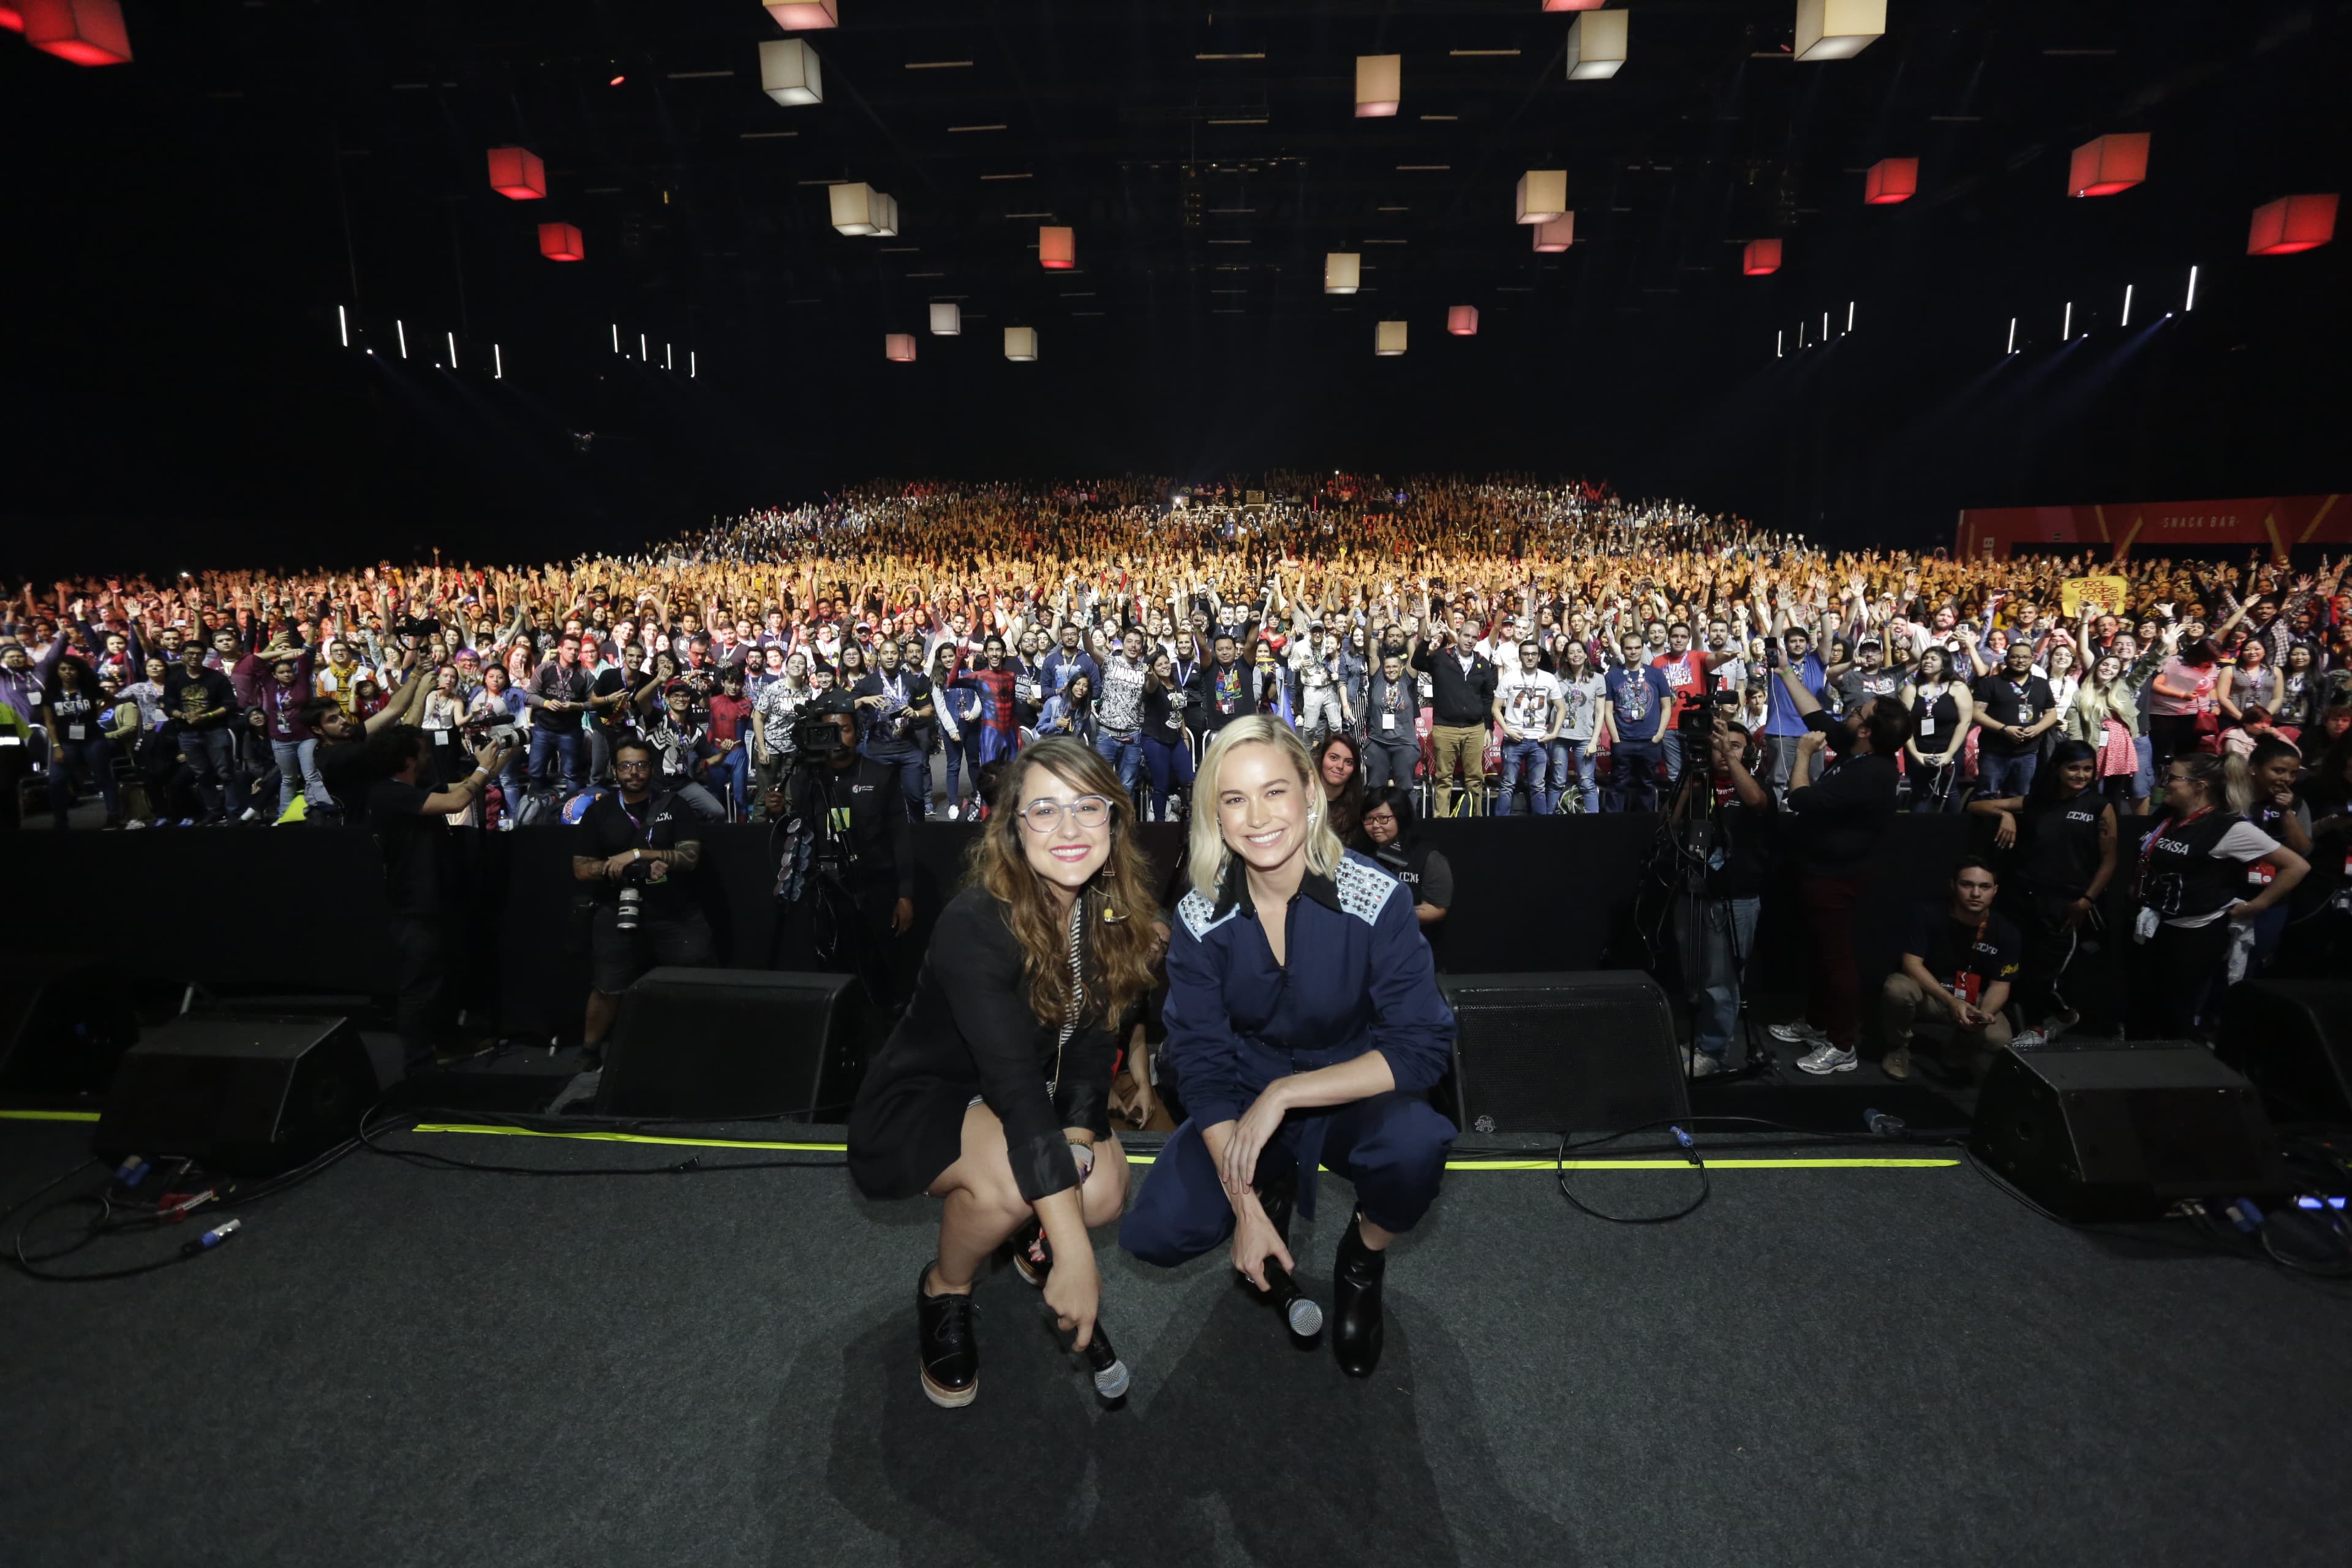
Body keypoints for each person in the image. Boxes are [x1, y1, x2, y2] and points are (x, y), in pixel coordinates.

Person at [1121, 717, 1458, 1378]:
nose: (1257, 817)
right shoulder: (1198, 915)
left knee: (1416, 1146)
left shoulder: (1376, 894)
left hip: (1347, 1091)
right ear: (1214, 813)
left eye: (1274, 791)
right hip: (1243, 1095)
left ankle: (1363, 1255)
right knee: (1152, 1232)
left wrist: (1285, 1094)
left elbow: (1421, 1048)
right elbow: (1202, 1068)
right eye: (1235, 798)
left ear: (1311, 791)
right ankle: (1267, 1179)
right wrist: (1243, 1205)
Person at [846, 737, 1159, 1408]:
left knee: (1101, 1188)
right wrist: (1074, 1253)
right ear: (1014, 827)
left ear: (1115, 818)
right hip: (924, 1105)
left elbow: (1088, 1049)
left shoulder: (1106, 910)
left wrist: (1076, 1148)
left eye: (1087, 806)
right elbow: (1017, 1094)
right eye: (1044, 811)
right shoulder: (977, 921)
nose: (1070, 829)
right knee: (1013, 1185)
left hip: (1011, 1103)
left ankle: (1028, 1234)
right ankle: (946, 1287)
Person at [1765, 666, 1911, 1074]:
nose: (1851, 711)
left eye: (1859, 711)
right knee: (1818, 954)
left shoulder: (1872, 773)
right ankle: (1817, 1023)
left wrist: (1805, 755)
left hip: (1837, 878)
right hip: (1817, 870)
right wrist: (1785, 674)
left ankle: (1842, 1044)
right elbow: (1819, 718)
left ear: (1867, 730)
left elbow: (1801, 799)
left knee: (1837, 961)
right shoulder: (1861, 747)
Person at [365, 723, 515, 1068]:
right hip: (415, 905)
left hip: (434, 900)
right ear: (406, 759)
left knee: (438, 980)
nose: (428, 755)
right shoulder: (388, 794)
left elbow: (467, 786)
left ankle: (443, 1046)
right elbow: (458, 800)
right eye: (422, 751)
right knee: (420, 987)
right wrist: (480, 767)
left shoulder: (409, 788)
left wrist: (507, 752)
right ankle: (418, 1062)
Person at [2132, 752, 2308, 1040]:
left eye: (2174, 778)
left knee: (2177, 1014)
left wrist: (2257, 905)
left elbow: (2297, 865)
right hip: (2157, 927)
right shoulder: (2169, 816)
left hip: (2196, 935)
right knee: (2147, 1008)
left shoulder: (2230, 827)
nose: (2166, 783)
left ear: (2199, 786)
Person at [1967, 739, 2118, 1050]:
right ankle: (2046, 1019)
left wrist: (2087, 900)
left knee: (2044, 971)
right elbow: (1974, 805)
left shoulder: (2099, 806)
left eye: (2088, 769)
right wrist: (2005, 815)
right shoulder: (2039, 800)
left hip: (2067, 903)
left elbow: (2110, 860)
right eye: (2073, 767)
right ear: (2057, 768)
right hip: (2022, 897)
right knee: (2017, 964)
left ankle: (2041, 1026)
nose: (2081, 775)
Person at [572, 734, 716, 1056]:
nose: (633, 772)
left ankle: (700, 1050)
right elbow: (581, 869)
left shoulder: (674, 805)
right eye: (626, 766)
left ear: (651, 769)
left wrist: (640, 855)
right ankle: (588, 1053)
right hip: (616, 907)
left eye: (640, 765)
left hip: (674, 911)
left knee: (695, 982)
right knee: (607, 987)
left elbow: (690, 859)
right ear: (613, 770)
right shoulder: (600, 812)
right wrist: (624, 869)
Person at [766, 698, 919, 1001]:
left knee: (881, 971)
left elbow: (900, 837)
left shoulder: (880, 774)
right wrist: (780, 813)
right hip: (823, 894)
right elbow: (799, 836)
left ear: (857, 732)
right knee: (830, 972)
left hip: (873, 889)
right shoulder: (805, 779)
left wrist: (905, 895)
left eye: (845, 729)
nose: (838, 737)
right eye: (829, 730)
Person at [1670, 715, 1776, 1076]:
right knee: (1695, 976)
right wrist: (1688, 787)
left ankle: (1714, 1052)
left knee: (1722, 981)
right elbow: (1666, 827)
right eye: (1719, 745)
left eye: (1734, 746)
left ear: (1749, 754)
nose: (1724, 752)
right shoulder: (1699, 785)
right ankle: (1699, 1040)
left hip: (1734, 897)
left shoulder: (1756, 786)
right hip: (1693, 892)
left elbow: (1759, 803)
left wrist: (1730, 762)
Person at [1880, 857, 2022, 1080]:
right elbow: (1911, 964)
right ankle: (1898, 1048)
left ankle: (1963, 1042)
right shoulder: (1927, 913)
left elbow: (2000, 985)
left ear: (1994, 891)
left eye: (1984, 887)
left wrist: (1984, 1014)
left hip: (1970, 1000)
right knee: (1897, 989)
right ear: (1953, 886)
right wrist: (1950, 1001)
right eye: (1967, 885)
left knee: (1999, 1037)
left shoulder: (2007, 932)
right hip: (1930, 994)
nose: (1976, 894)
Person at [1413, 622, 1497, 818]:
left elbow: (1487, 698)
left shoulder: (1482, 663)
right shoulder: (1442, 658)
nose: (1470, 641)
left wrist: (1488, 728)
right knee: (1443, 779)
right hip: (1445, 728)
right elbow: (1416, 663)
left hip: (1474, 729)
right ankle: (1442, 822)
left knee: (1475, 779)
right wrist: (1426, 639)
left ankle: (1476, 818)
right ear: (1457, 636)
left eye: (1474, 638)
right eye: (1466, 636)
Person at [853, 638, 935, 822]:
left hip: (909, 751)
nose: (890, 657)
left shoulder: (912, 681)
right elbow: (847, 704)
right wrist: (865, 700)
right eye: (885, 653)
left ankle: (918, 834)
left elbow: (929, 710)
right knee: (878, 800)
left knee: (915, 797)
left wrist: (915, 713)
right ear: (879, 657)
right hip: (878, 752)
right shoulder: (868, 683)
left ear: (901, 656)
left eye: (894, 653)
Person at [1359, 782, 1452, 943]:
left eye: (1383, 818)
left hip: (1415, 947)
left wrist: (1394, 914)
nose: (1375, 825)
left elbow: (1438, 908)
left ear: (1401, 817)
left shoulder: (1428, 856)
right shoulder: (1360, 855)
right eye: (1368, 819)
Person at [1600, 631, 1673, 813]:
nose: (1633, 652)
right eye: (1629, 648)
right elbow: (1608, 711)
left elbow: (1667, 707)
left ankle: (1645, 829)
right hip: (1624, 741)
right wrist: (1616, 739)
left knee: (1647, 786)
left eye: (1637, 648)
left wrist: (1659, 735)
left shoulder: (1656, 674)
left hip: (1650, 741)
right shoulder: (1612, 676)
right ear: (1622, 650)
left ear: (1643, 649)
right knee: (1618, 785)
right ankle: (1613, 827)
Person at [1494, 641, 1563, 815]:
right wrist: (1507, 730)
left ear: (1539, 657)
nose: (1530, 657)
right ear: (1520, 657)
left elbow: (1562, 708)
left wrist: (1554, 733)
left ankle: (1541, 830)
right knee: (1507, 785)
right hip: (1513, 738)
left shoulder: (1549, 678)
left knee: (1538, 786)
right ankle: (1498, 828)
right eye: (1526, 654)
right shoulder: (1509, 678)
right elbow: (1495, 708)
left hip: (1538, 740)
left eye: (1533, 654)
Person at [1359, 650, 1420, 794]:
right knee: (1375, 788)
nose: (1391, 670)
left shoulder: (1407, 679)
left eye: (1394, 667)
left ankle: (1406, 817)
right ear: (1383, 668)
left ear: (1401, 668)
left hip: (1404, 743)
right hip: (1378, 742)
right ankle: (1374, 816)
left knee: (1405, 788)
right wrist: (1374, 631)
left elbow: (1414, 654)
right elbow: (1372, 652)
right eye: (1388, 667)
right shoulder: (1378, 678)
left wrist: (1410, 634)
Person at [1313, 731, 1366, 842]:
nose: (1340, 766)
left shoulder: (1360, 810)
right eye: (1334, 758)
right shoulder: (1300, 798)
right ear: (1322, 759)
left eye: (1348, 762)